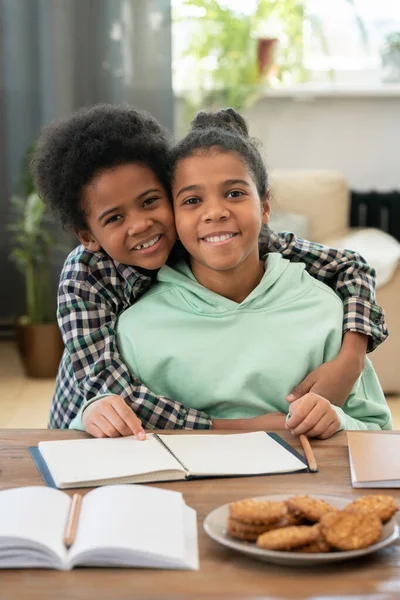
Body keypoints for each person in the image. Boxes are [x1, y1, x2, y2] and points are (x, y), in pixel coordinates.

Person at [31, 104, 388, 437]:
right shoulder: (84, 278)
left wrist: (351, 357)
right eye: (115, 217)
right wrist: (243, 427)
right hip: (88, 416)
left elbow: (350, 266)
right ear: (88, 236)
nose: (142, 225)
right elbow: (116, 396)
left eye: (150, 201)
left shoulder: (211, 237)